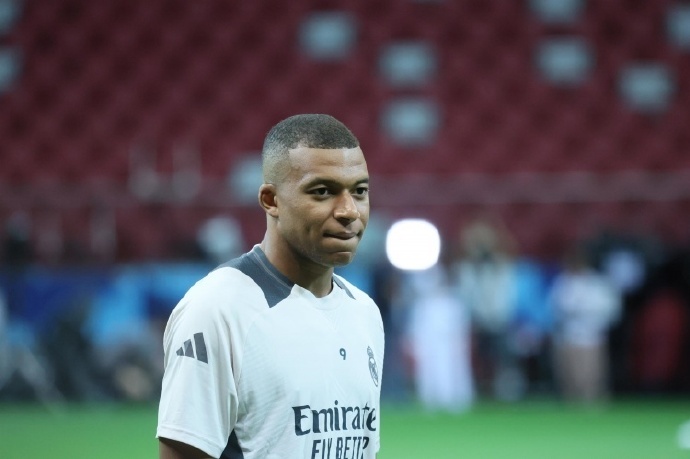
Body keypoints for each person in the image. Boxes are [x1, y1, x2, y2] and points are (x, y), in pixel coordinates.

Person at [157, 114, 385, 458]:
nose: (349, 211)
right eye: (323, 192)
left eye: (360, 191)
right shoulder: (217, 310)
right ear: (271, 200)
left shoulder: (364, 312)